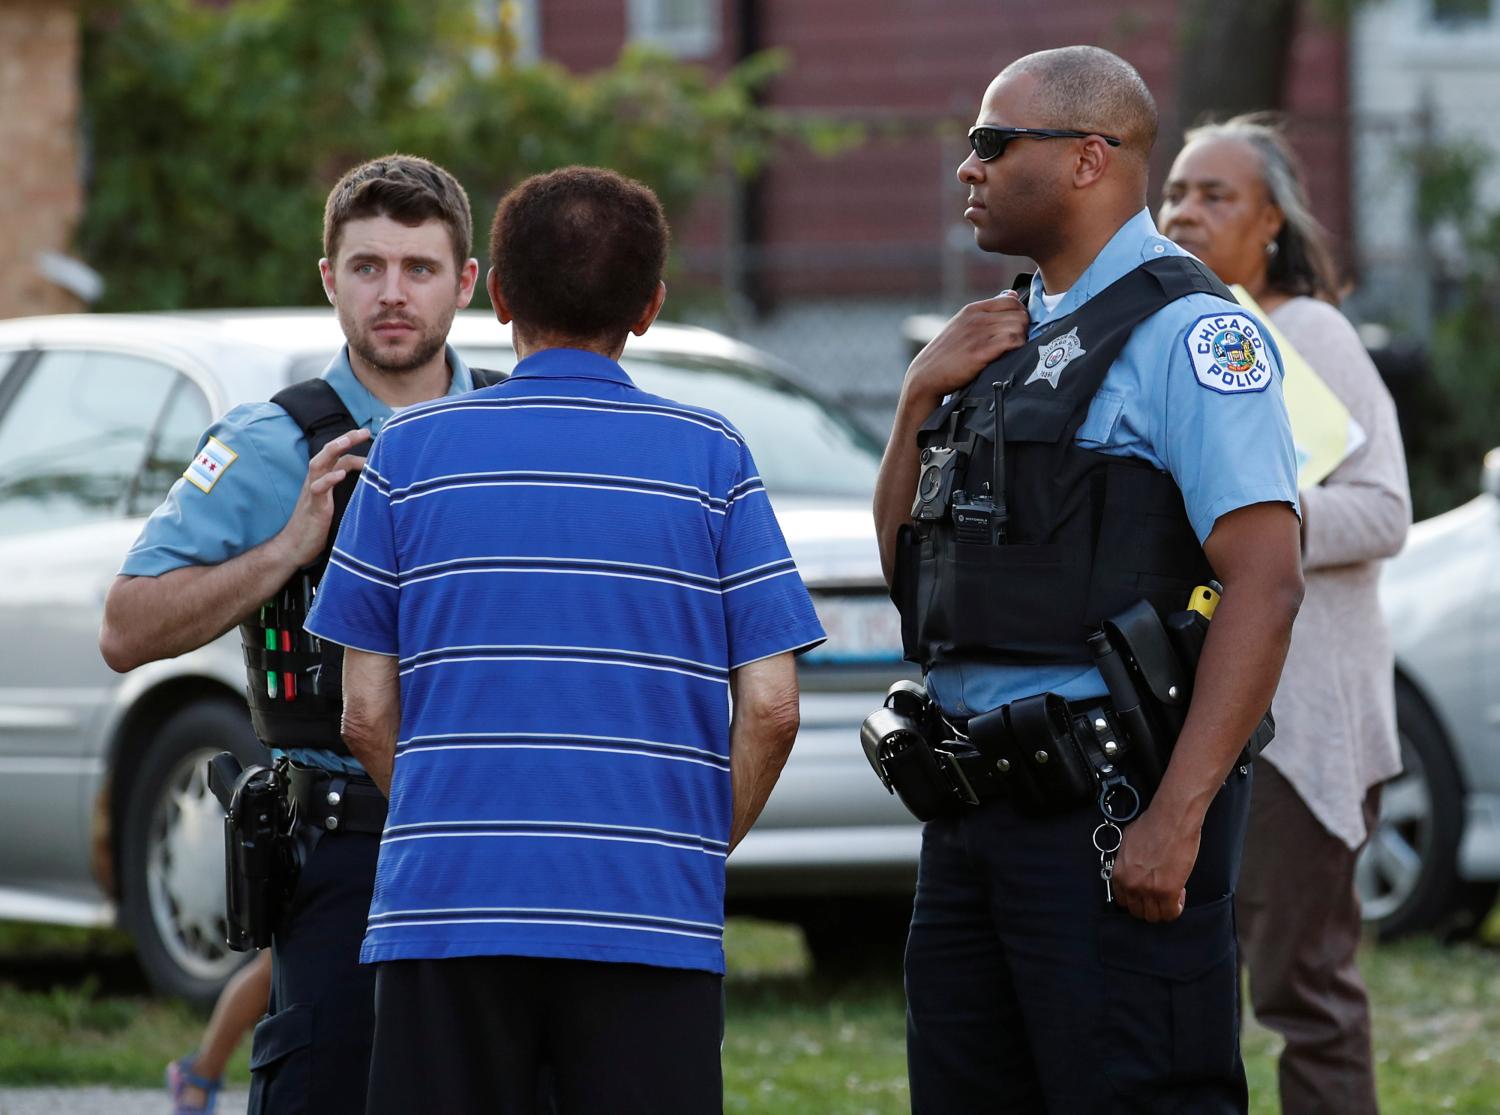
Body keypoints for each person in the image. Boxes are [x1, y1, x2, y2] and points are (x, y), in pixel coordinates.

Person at [302, 165, 826, 1115]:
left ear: (496, 294)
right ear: (652, 308)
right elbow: (775, 706)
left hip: (444, 911)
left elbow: (365, 712)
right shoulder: (713, 459)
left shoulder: (405, 455)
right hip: (647, 909)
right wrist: (691, 844)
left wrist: (461, 814)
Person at [873, 47, 1305, 1112]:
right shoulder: (995, 338)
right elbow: (908, 570)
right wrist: (918, 396)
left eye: (991, 142)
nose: (967, 169)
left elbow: (1266, 581)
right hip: (972, 817)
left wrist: (1178, 814)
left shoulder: (1192, 334)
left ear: (1088, 159)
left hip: (1108, 812)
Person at [100, 154, 483, 1115]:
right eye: (367, 267)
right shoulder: (273, 443)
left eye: (420, 268)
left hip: (495, 839)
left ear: (467, 282)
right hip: (342, 846)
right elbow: (126, 626)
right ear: (329, 279)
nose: (392, 294)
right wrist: (289, 547)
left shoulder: (512, 426)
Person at [1161, 115, 1410, 1115]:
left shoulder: (1304, 333)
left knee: (1303, 992)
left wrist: (1257, 519)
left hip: (1299, 730)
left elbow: (1384, 509)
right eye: (1176, 190)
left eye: (1215, 194)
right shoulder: (1182, 335)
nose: (1185, 209)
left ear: (1271, 220)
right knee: (1185, 993)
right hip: (1195, 718)